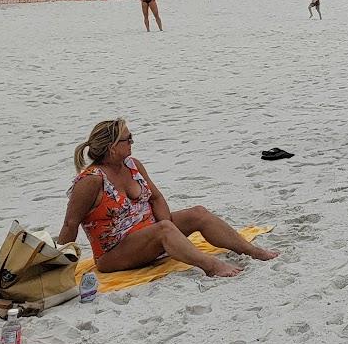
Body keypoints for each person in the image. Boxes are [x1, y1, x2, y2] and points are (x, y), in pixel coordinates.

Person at [57, 119, 279, 277]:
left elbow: (156, 199)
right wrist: (59, 265)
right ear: (112, 148)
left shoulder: (132, 165)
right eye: (128, 139)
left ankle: (252, 251)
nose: (132, 142)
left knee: (197, 214)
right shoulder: (91, 181)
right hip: (114, 252)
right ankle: (211, 266)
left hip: (148, 234)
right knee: (164, 230)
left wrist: (169, 226)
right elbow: (70, 223)